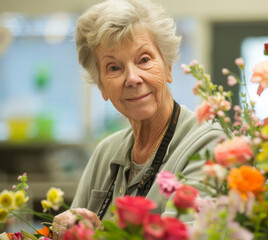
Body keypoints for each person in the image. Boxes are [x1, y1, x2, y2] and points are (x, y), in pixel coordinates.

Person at [51, 0, 223, 238]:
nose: (133, 78)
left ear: (168, 66)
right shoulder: (105, 154)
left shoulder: (210, 144)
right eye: (113, 68)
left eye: (144, 59)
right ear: (101, 85)